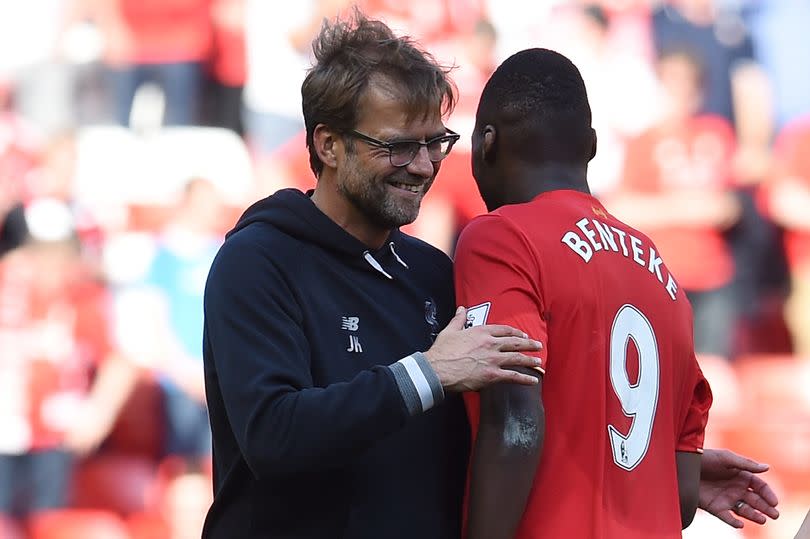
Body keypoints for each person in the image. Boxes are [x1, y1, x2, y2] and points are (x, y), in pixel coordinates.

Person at [200, 10, 543, 538]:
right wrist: (428, 374)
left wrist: (655, 470)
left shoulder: (433, 272)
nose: (425, 165)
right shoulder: (258, 262)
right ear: (328, 145)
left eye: (435, 142)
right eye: (399, 146)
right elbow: (274, 434)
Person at [454, 47, 765, 539]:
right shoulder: (659, 269)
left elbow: (514, 426)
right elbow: (682, 495)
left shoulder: (502, 236)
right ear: (592, 146)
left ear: (486, 143)